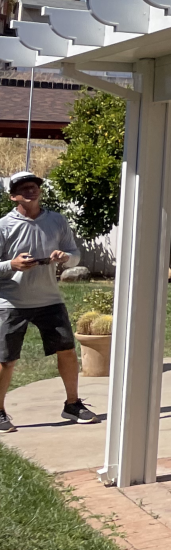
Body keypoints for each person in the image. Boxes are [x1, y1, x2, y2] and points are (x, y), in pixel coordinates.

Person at [0, 171, 94, 431]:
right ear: (13, 196)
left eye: (34, 187)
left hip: (50, 299)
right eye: (24, 188)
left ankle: (72, 405)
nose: (31, 191)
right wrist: (13, 264)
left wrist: (65, 258)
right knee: (6, 359)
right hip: (11, 302)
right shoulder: (4, 225)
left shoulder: (57, 221)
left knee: (66, 350)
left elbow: (75, 255)